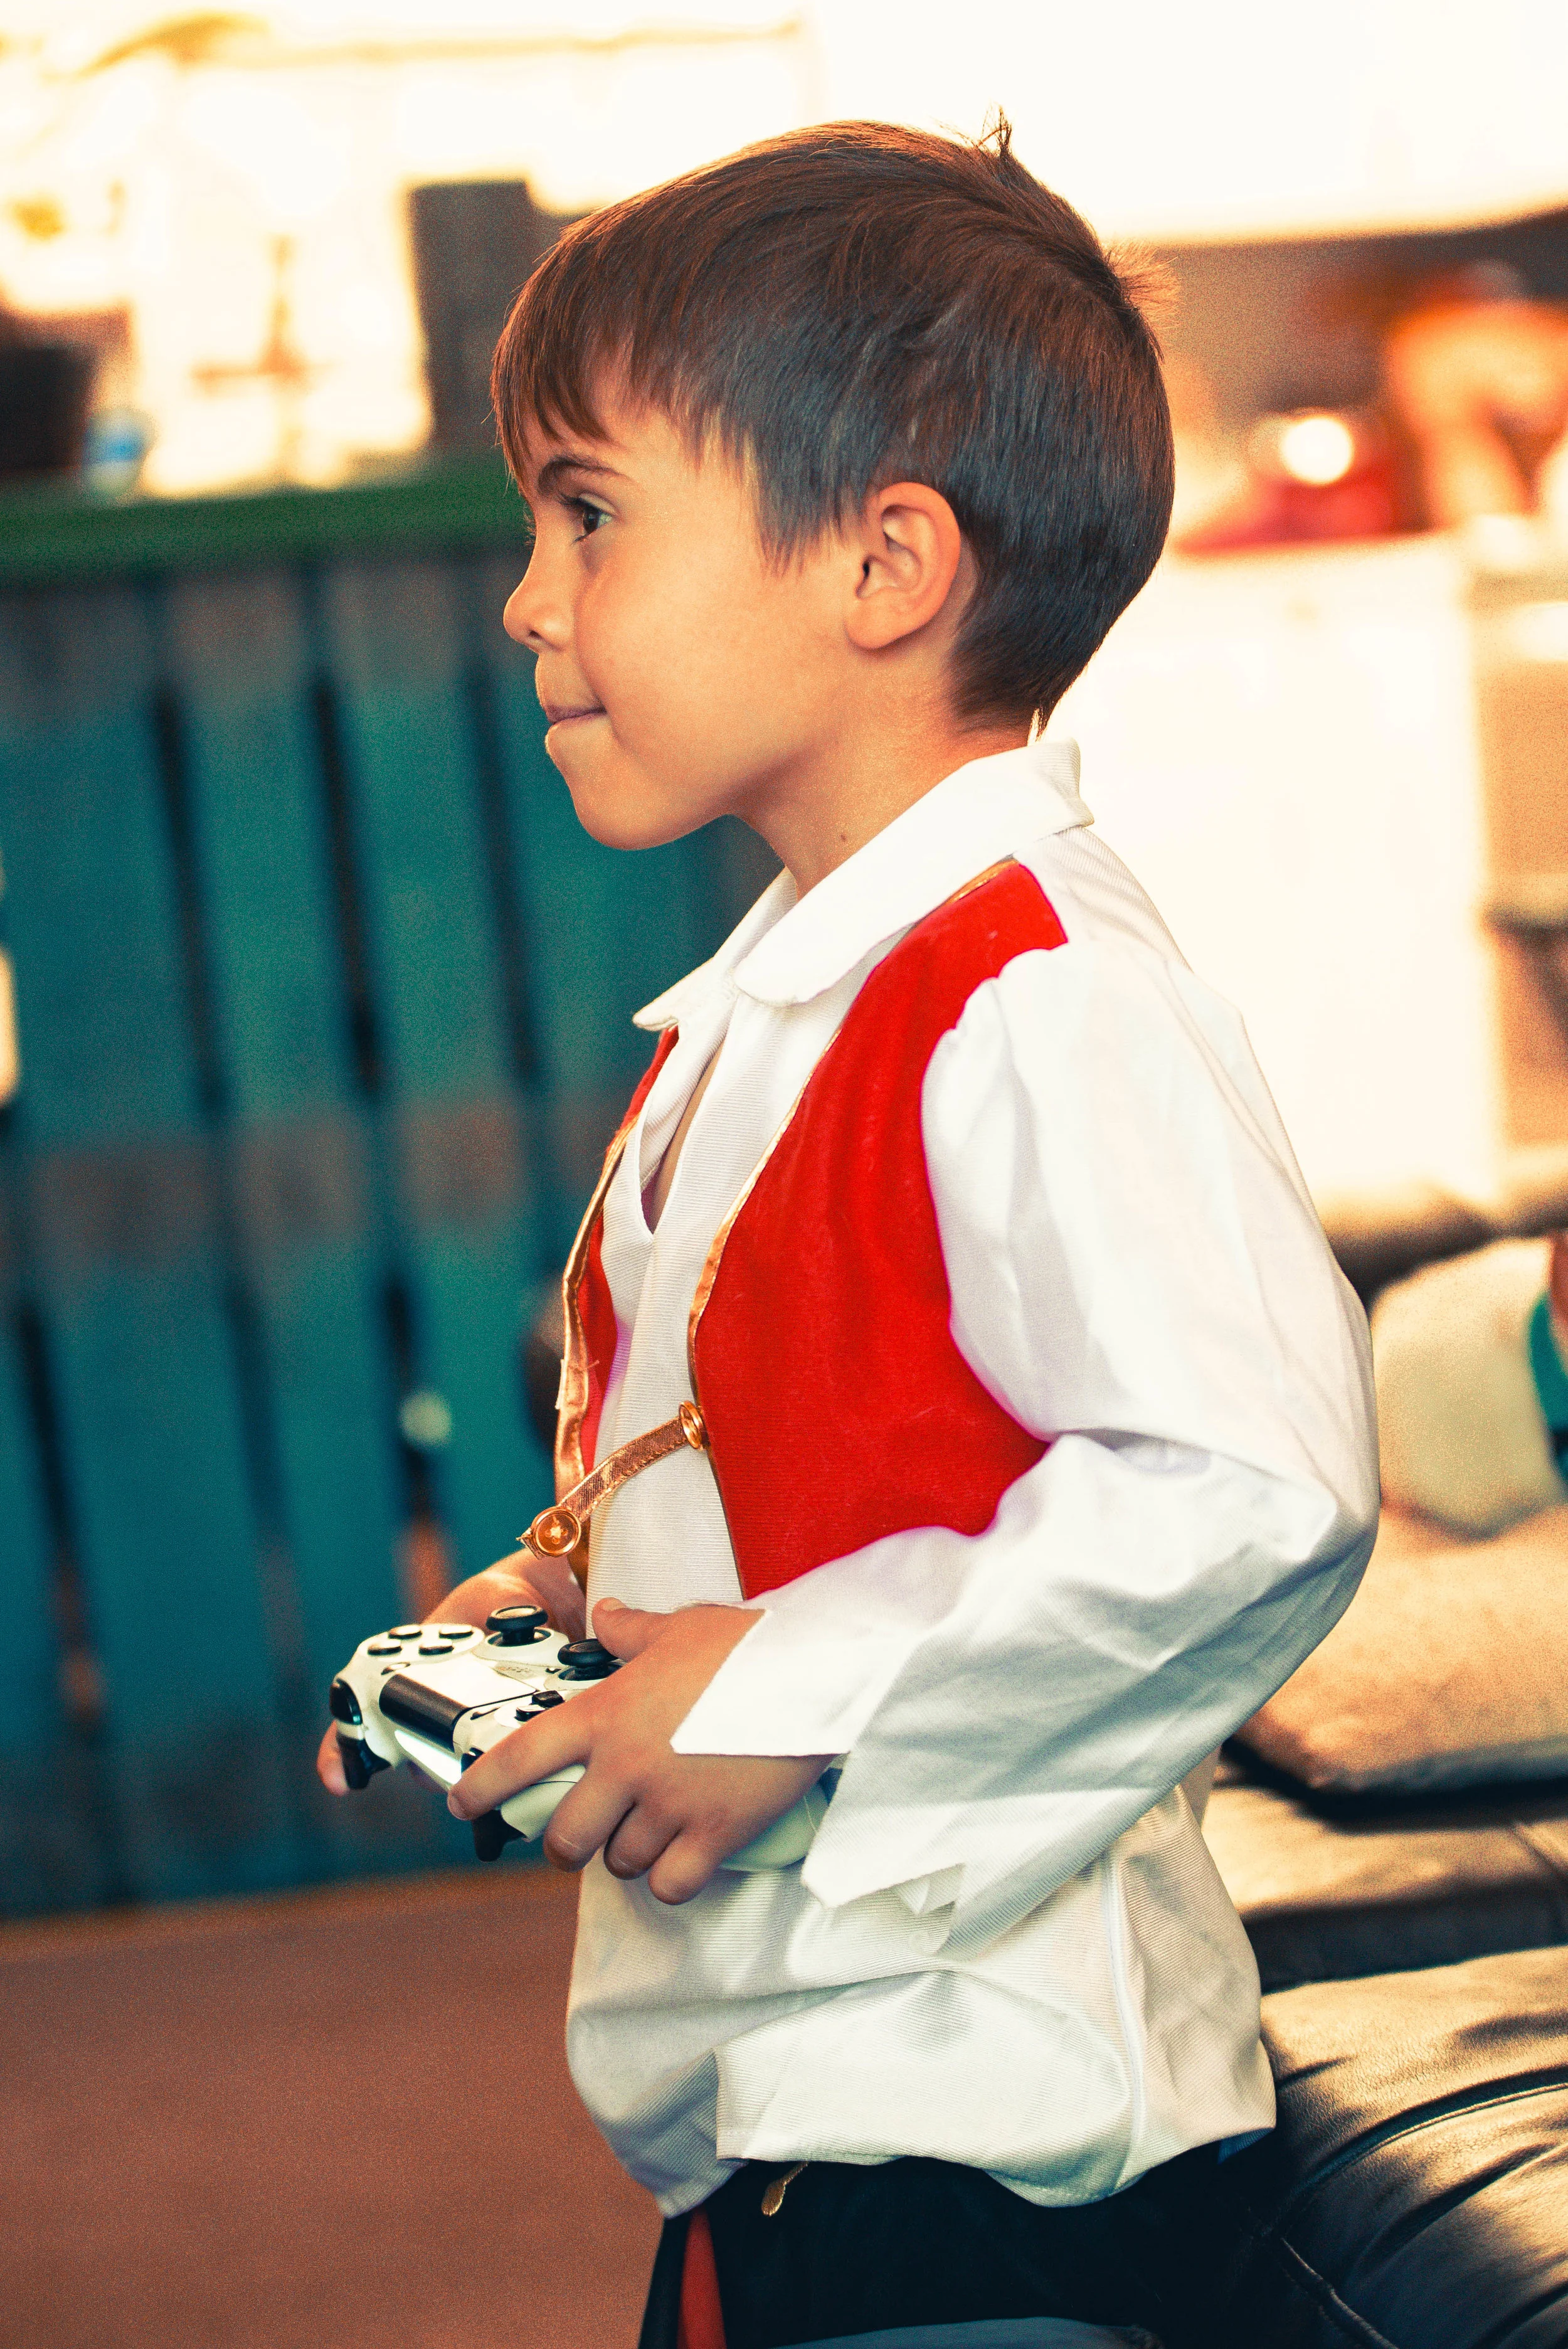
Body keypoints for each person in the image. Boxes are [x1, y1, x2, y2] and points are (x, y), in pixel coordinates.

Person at [318, 120, 1378, 2349]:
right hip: (806, 2089)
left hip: (988, 2117)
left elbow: (1247, 1485)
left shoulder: (1041, 994)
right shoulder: (800, 992)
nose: (526, 595)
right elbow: (835, 1427)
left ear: (883, 563)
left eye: (589, 512)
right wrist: (585, 1591)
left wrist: (780, 1689)